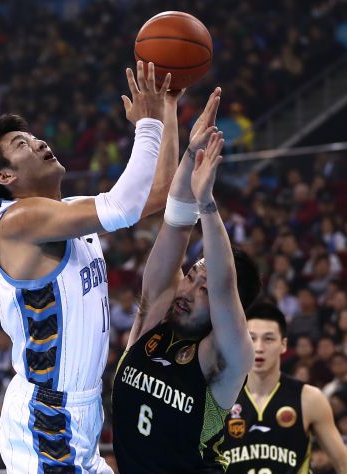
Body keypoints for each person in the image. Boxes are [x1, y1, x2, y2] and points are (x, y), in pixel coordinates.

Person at [0, 62, 175, 473]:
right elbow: (123, 206)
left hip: (78, 410)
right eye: (22, 144)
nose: (39, 143)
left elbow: (160, 193)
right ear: (4, 176)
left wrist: (165, 111)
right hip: (48, 419)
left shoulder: (66, 213)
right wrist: (147, 125)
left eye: (33, 137)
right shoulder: (17, 221)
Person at [112, 87, 262, 473]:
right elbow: (177, 224)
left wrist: (207, 203)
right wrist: (191, 156)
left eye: (204, 289)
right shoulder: (152, 319)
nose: (190, 290)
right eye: (192, 276)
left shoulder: (224, 357)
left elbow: (225, 286)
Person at [222, 301, 347, 473]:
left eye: (268, 339)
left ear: (284, 344)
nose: (259, 348)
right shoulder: (220, 398)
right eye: (251, 338)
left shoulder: (309, 398)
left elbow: (343, 464)